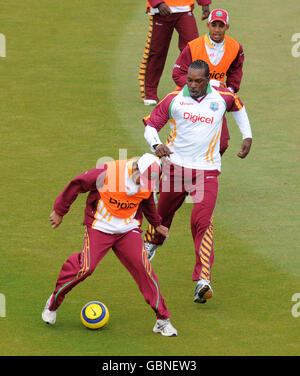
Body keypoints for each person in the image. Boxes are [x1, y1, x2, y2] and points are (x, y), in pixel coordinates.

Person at [142, 60, 252, 304]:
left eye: (198, 81)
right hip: (176, 167)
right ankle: (153, 241)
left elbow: (238, 106)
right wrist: (157, 144)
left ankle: (203, 279)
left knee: (201, 221)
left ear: (207, 80)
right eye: (189, 80)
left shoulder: (222, 97)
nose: (192, 85)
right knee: (161, 214)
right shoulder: (174, 99)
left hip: (207, 171)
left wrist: (247, 135)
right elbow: (151, 125)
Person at [42, 153, 178, 337]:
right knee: (86, 268)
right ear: (136, 168)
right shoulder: (108, 174)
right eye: (142, 179)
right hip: (100, 227)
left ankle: (162, 320)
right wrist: (60, 211)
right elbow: (77, 184)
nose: (143, 185)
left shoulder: (150, 181)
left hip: (128, 230)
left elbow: (147, 202)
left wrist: (157, 224)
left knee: (144, 269)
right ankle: (53, 303)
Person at [172, 8, 245, 155]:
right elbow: (177, 73)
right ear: (208, 25)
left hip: (215, 101)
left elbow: (236, 70)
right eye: (214, 25)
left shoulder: (235, 47)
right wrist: (197, 88)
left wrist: (230, 89)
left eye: (221, 25)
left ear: (227, 27)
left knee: (221, 144)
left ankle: (206, 172)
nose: (217, 30)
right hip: (189, 99)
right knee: (188, 143)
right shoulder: (193, 46)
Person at [139, 0, 211, 106]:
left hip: (184, 8)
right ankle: (150, 93)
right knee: (158, 52)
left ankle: (194, 89)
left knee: (193, 49)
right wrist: (158, 3)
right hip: (160, 10)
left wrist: (205, 3)